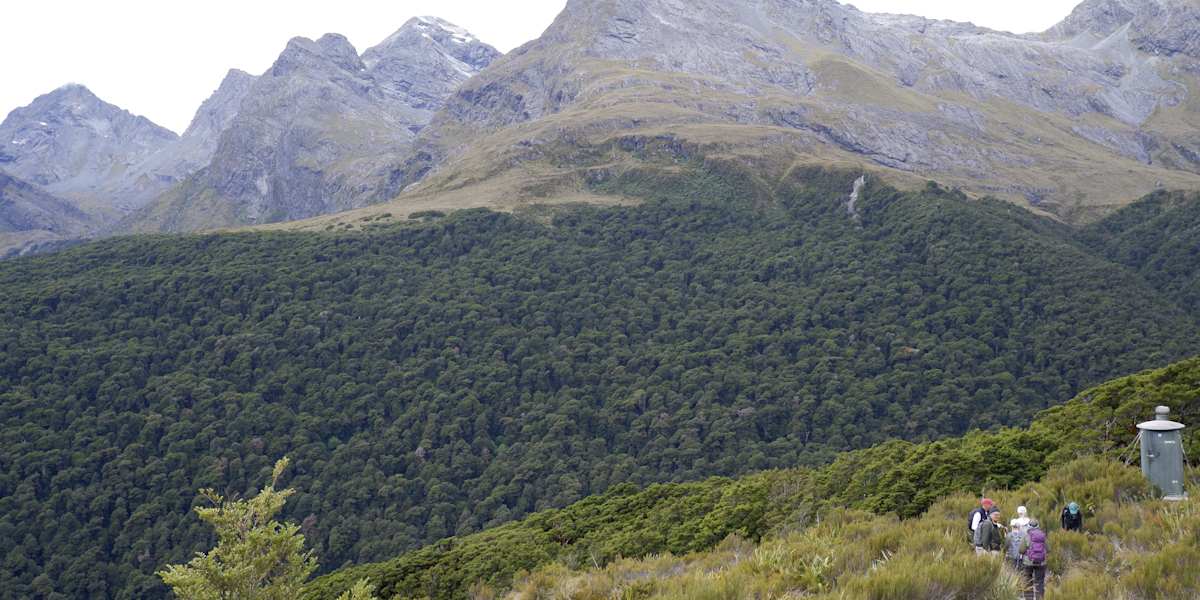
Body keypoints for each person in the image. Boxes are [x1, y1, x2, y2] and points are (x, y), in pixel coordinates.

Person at [1020, 518, 1049, 599]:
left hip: (1028, 562)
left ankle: (1028, 598)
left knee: (1028, 581)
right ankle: (1039, 598)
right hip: (1041, 562)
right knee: (1039, 582)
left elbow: (1021, 550)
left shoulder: (1026, 536)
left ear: (1028, 526)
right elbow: (1048, 549)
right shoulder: (1043, 535)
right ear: (1038, 526)